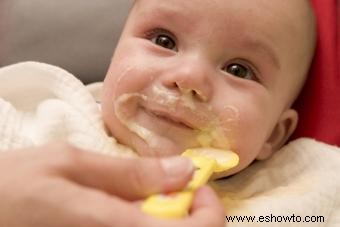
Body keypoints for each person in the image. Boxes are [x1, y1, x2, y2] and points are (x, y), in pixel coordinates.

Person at [0, 0, 317, 226]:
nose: (189, 77)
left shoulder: (297, 194)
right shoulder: (42, 118)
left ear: (274, 134)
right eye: (164, 41)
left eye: (239, 70)